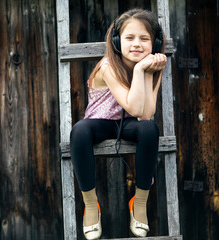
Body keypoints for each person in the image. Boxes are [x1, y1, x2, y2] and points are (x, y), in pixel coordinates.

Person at [70, 9, 167, 239]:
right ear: (116, 41)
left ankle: (140, 202)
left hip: (130, 124)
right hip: (100, 122)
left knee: (149, 129)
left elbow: (146, 114)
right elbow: (133, 106)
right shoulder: (107, 66)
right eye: (129, 38)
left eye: (144, 39)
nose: (137, 44)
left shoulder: (150, 65)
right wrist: (142, 69)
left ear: (155, 43)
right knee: (79, 130)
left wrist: (150, 72)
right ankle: (91, 204)